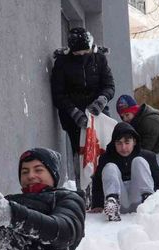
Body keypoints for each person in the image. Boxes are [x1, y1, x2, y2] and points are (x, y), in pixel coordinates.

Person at [50, 27, 115, 179]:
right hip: (73, 119)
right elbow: (58, 94)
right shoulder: (61, 63)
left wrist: (101, 101)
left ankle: (106, 183)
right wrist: (74, 113)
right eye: (77, 53)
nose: (81, 55)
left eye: (85, 52)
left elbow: (109, 86)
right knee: (81, 157)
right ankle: (83, 188)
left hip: (99, 115)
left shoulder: (99, 59)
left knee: (104, 151)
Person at [90, 122, 159, 222]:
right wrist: (97, 205)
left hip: (142, 202)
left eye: (127, 142)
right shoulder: (106, 158)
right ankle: (112, 203)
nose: (123, 147)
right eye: (119, 143)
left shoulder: (147, 156)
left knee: (139, 161)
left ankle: (147, 198)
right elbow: (98, 181)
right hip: (121, 202)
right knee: (109, 166)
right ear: (114, 143)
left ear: (134, 142)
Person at [115, 94, 159, 168]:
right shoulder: (137, 122)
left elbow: (147, 144)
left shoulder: (148, 120)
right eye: (122, 117)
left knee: (149, 169)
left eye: (127, 115)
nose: (124, 119)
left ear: (134, 111)